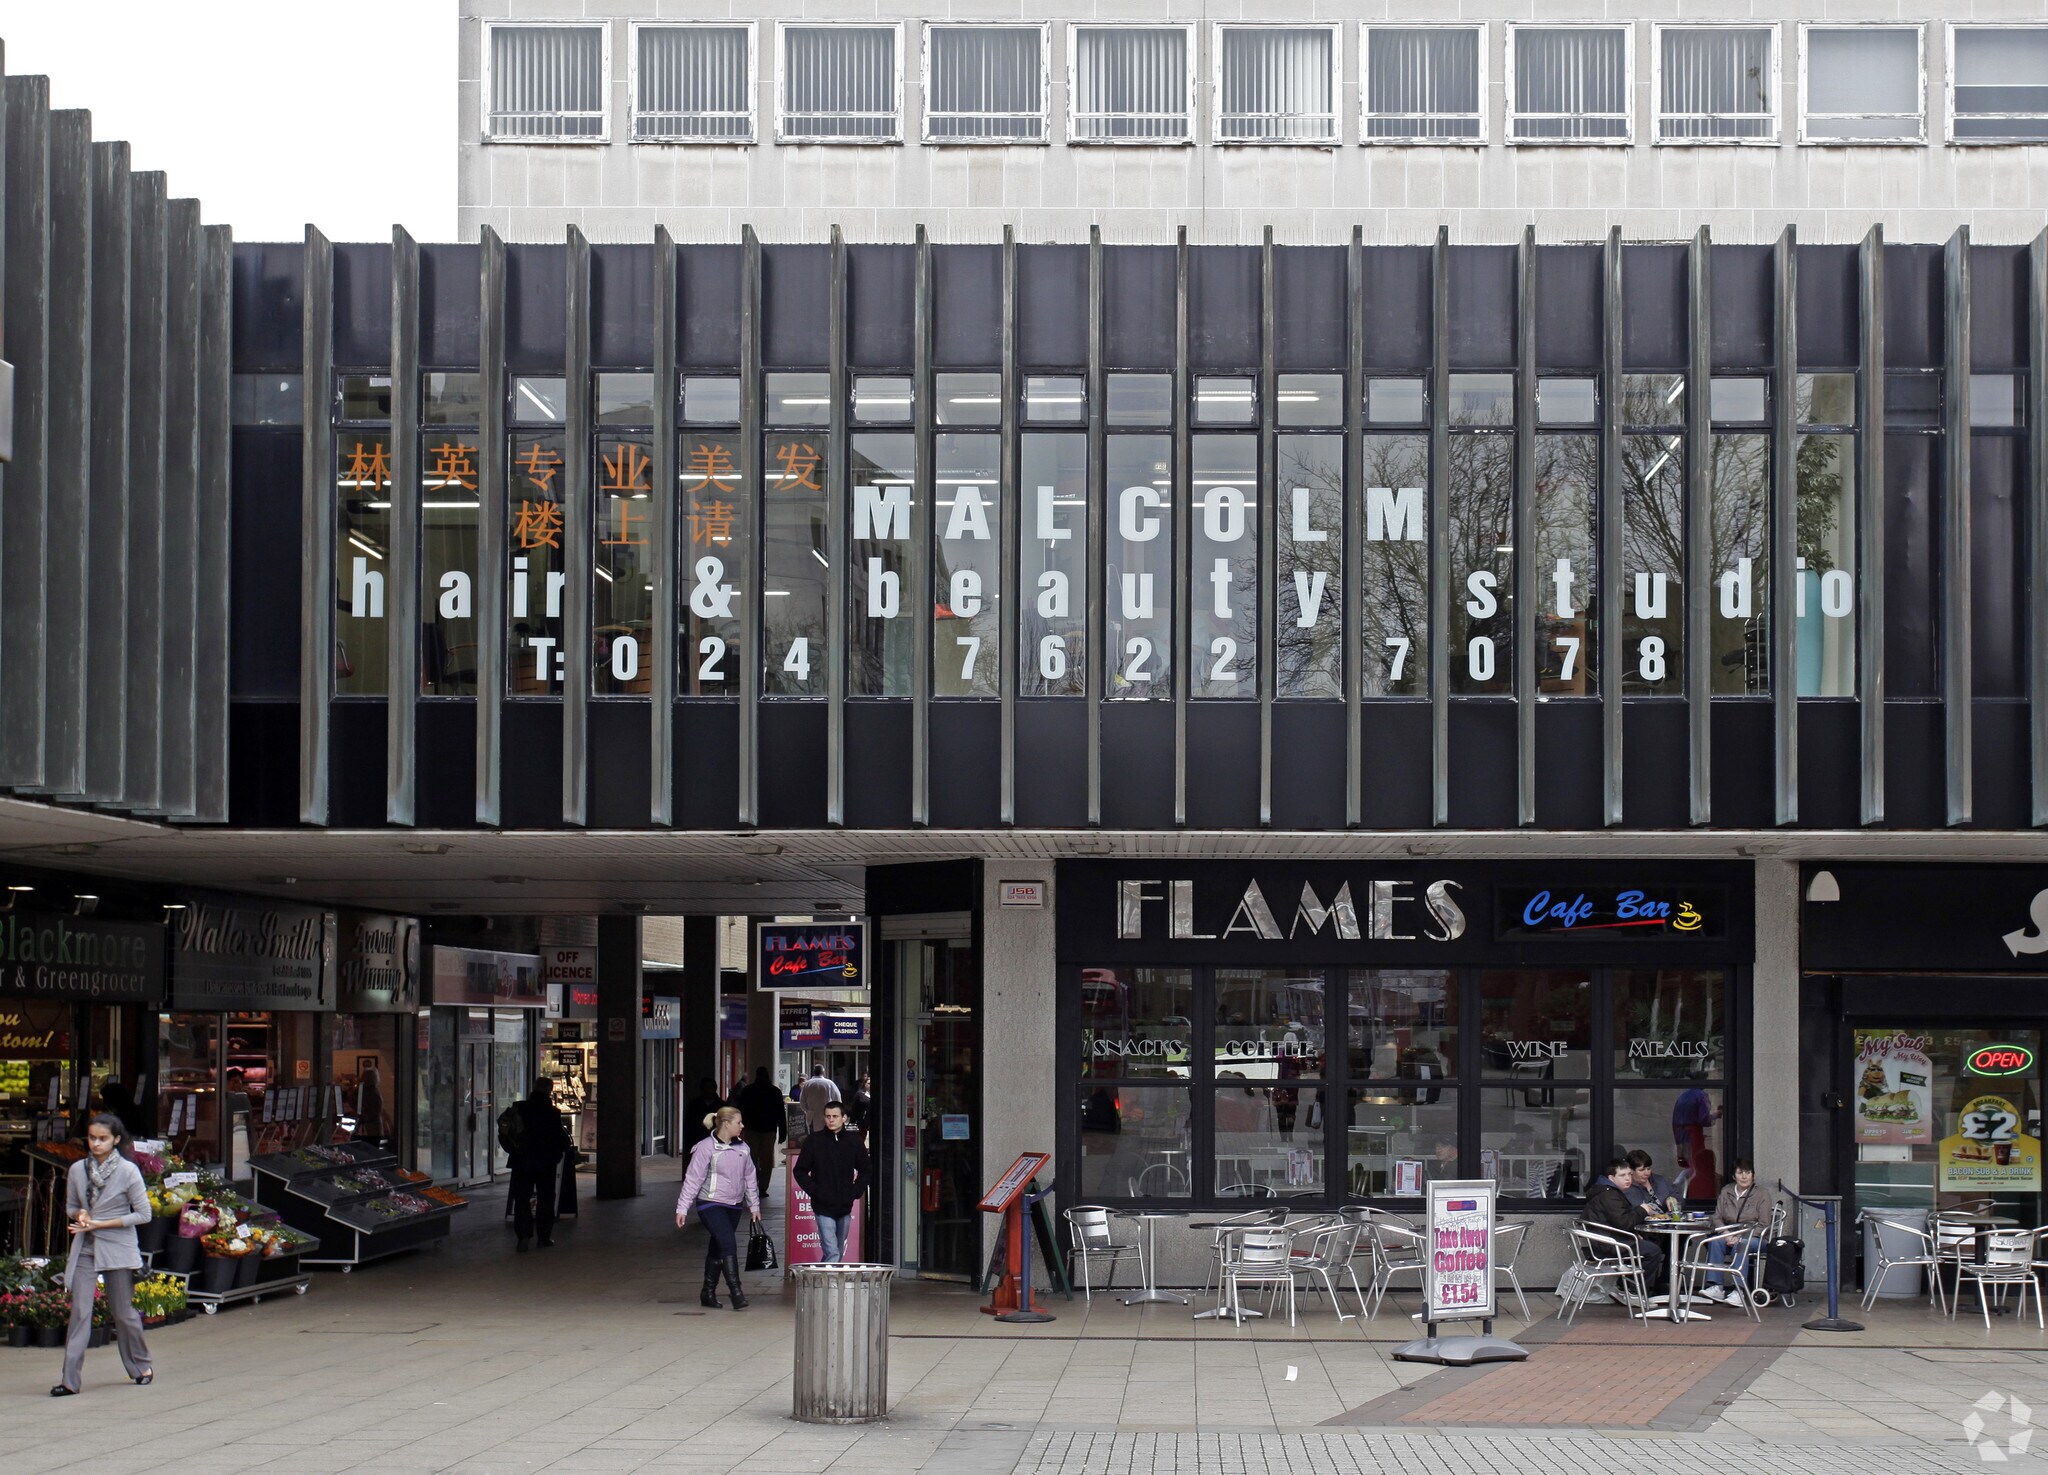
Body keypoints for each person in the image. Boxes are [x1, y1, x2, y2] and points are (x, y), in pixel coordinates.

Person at [52, 1113, 152, 1396]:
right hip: (86, 1246)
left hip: (117, 1246)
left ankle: (140, 1365)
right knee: (80, 1312)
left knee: (123, 1313)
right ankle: (69, 1381)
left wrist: (102, 1223)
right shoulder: (77, 1170)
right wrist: (81, 1213)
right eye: (92, 1138)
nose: (96, 1143)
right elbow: (71, 1205)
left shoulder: (128, 1171)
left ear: (116, 1140)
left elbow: (144, 1214)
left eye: (103, 1139)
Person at [677, 1106, 762, 1309]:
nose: (742, 1126)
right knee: (728, 1243)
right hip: (710, 1203)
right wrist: (683, 1207)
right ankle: (736, 1292)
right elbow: (693, 1179)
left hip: (733, 1205)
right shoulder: (706, 1147)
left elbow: (750, 1177)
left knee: (718, 1246)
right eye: (738, 1122)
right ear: (726, 1124)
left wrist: (754, 1205)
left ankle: (707, 1292)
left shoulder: (743, 1148)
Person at [793, 1100, 870, 1264]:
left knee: (837, 1251)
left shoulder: (853, 1141)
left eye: (835, 1116)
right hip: (823, 1206)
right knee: (833, 1252)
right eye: (828, 1116)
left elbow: (866, 1169)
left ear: (844, 1118)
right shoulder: (814, 1141)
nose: (831, 1120)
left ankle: (820, 1281)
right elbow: (799, 1170)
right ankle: (831, 1287)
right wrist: (816, 1191)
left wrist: (855, 1191)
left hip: (844, 1206)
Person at [507, 1076, 571, 1252]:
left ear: (533, 1088)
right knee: (545, 1199)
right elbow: (559, 1139)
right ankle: (544, 1236)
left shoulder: (519, 1108)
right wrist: (557, 1154)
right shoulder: (552, 1113)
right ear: (549, 1091)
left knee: (521, 1198)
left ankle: (523, 1235)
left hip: (521, 1161)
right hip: (545, 1162)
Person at [1584, 1156, 1663, 1292]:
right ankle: (1633, 1291)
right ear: (1611, 1178)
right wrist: (1642, 1209)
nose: (1628, 1179)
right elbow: (1624, 1222)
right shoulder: (1610, 1195)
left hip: (1607, 1240)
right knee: (1653, 1251)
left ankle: (1626, 1287)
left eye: (1629, 1175)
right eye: (1622, 1175)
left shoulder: (1606, 1191)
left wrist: (1633, 1234)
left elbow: (1618, 1222)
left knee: (1652, 1244)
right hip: (1610, 1244)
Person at [1700, 1159, 1772, 1305]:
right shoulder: (1726, 1191)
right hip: (1729, 1234)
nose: (1744, 1176)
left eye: (1748, 1173)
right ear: (1734, 1176)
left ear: (1753, 1175)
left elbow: (1764, 1224)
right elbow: (1717, 1217)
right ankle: (1716, 1287)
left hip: (1755, 1237)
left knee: (1742, 1244)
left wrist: (1740, 1236)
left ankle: (1739, 1291)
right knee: (1714, 1241)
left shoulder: (1762, 1194)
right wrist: (1726, 1234)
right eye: (1740, 1173)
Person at [734, 1067, 787, 1197]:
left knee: (751, 1159)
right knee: (766, 1160)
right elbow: (780, 1113)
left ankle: (752, 1185)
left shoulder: (748, 1090)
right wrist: (783, 1132)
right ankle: (763, 1186)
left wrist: (739, 1127)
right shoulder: (775, 1092)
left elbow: (741, 1109)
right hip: (769, 1129)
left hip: (752, 1129)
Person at [683, 1077, 724, 1155]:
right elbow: (689, 1125)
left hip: (716, 1142)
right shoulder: (694, 1105)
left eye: (710, 1087)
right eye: (705, 1088)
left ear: (715, 1088)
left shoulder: (721, 1106)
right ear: (701, 1089)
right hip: (697, 1139)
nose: (708, 1090)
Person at [799, 1063, 842, 1135]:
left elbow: (802, 1101)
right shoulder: (829, 1083)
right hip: (827, 1118)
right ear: (823, 1073)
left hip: (812, 1118)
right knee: (827, 1140)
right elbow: (838, 1100)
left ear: (813, 1072)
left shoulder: (807, 1084)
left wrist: (808, 1111)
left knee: (814, 1140)